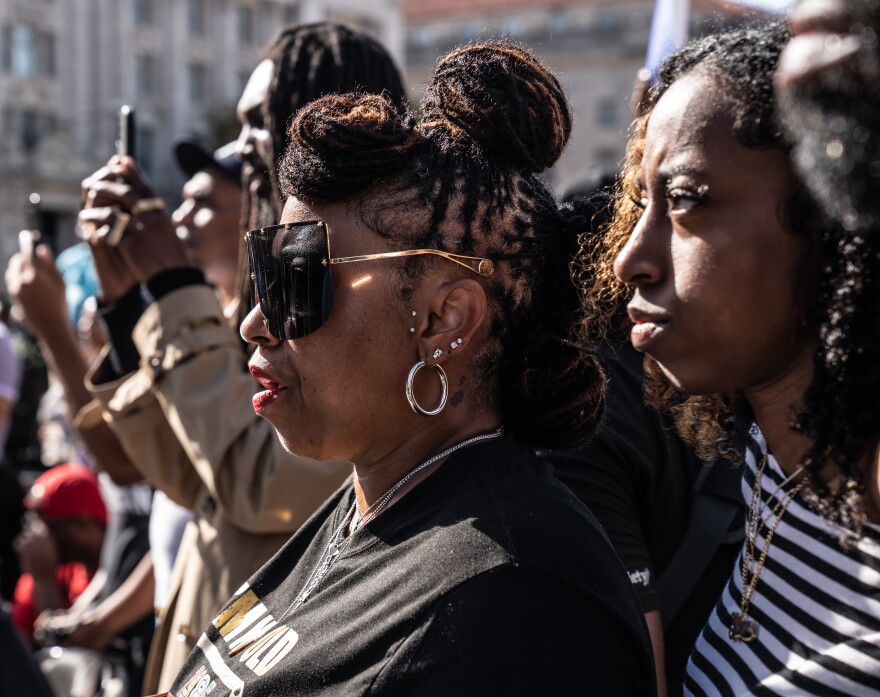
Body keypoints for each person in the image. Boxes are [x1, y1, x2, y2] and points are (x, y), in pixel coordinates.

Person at [168, 40, 655, 695]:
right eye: (265, 271)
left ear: (443, 319)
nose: (257, 321)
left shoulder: (516, 602)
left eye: (299, 279)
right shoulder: (378, 491)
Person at [76, 23, 409, 694]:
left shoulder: (361, 293)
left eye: (262, 121)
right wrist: (121, 307)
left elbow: (259, 479)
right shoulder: (267, 288)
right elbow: (193, 479)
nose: (241, 145)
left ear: (324, 116)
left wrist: (172, 291)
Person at [602, 21, 880, 696]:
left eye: (688, 200)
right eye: (644, 203)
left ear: (835, 221)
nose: (630, 259)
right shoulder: (771, 465)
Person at [11, 463, 107, 644]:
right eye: (31, 524)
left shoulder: (120, 570)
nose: (36, 538)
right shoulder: (47, 570)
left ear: (84, 523)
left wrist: (46, 585)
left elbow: (66, 651)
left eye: (46, 527)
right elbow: (18, 649)